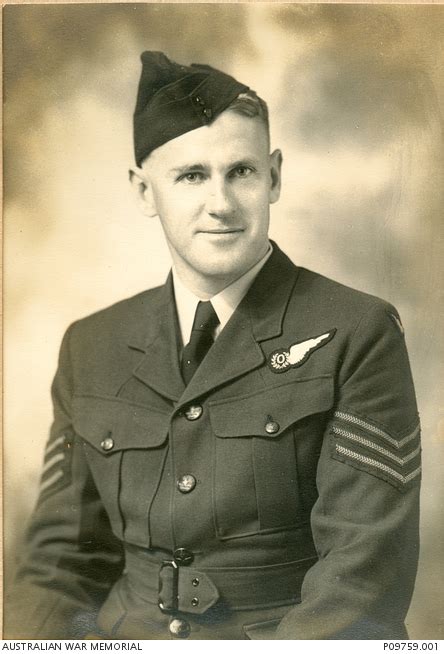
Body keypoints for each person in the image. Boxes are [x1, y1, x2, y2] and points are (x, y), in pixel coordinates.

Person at [5, 51, 421, 640]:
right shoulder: (90, 347)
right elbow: (57, 571)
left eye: (242, 172)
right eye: (192, 175)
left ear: (274, 176)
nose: (221, 204)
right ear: (144, 191)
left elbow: (362, 583)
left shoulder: (357, 331)